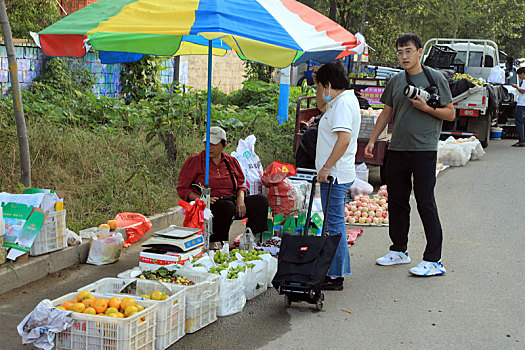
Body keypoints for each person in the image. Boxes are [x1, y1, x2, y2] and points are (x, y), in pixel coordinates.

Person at [364, 33, 455, 276]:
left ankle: (434, 260)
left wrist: (427, 108)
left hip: (424, 150)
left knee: (425, 201)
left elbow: (450, 113)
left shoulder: (433, 77)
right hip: (397, 149)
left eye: (408, 51)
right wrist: (373, 140)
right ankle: (399, 250)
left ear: (419, 51)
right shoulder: (395, 81)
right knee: (396, 201)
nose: (404, 56)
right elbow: (386, 113)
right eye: (400, 52)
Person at [177, 126, 269, 244]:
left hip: (233, 200)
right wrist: (201, 199)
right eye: (207, 144)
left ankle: (251, 238)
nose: (209, 148)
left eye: (214, 144)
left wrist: (240, 199)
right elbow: (182, 188)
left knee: (261, 201)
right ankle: (217, 243)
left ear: (224, 145)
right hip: (210, 205)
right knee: (226, 207)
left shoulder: (231, 161)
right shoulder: (195, 162)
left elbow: (241, 183)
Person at [315, 63, 361, 291]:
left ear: (330, 85)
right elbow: (321, 106)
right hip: (338, 173)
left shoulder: (342, 104)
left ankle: (335, 275)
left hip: (334, 175)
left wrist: (326, 167)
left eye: (321, 86)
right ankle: (336, 270)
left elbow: (343, 139)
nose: (320, 91)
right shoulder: (341, 101)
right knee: (334, 223)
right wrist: (318, 87)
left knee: (334, 225)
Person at [510, 67, 525, 147]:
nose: (519, 77)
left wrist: (516, 87)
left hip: (522, 104)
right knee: (523, 123)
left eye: (519, 75)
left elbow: (522, 91)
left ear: (523, 74)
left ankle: (521, 140)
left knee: (519, 122)